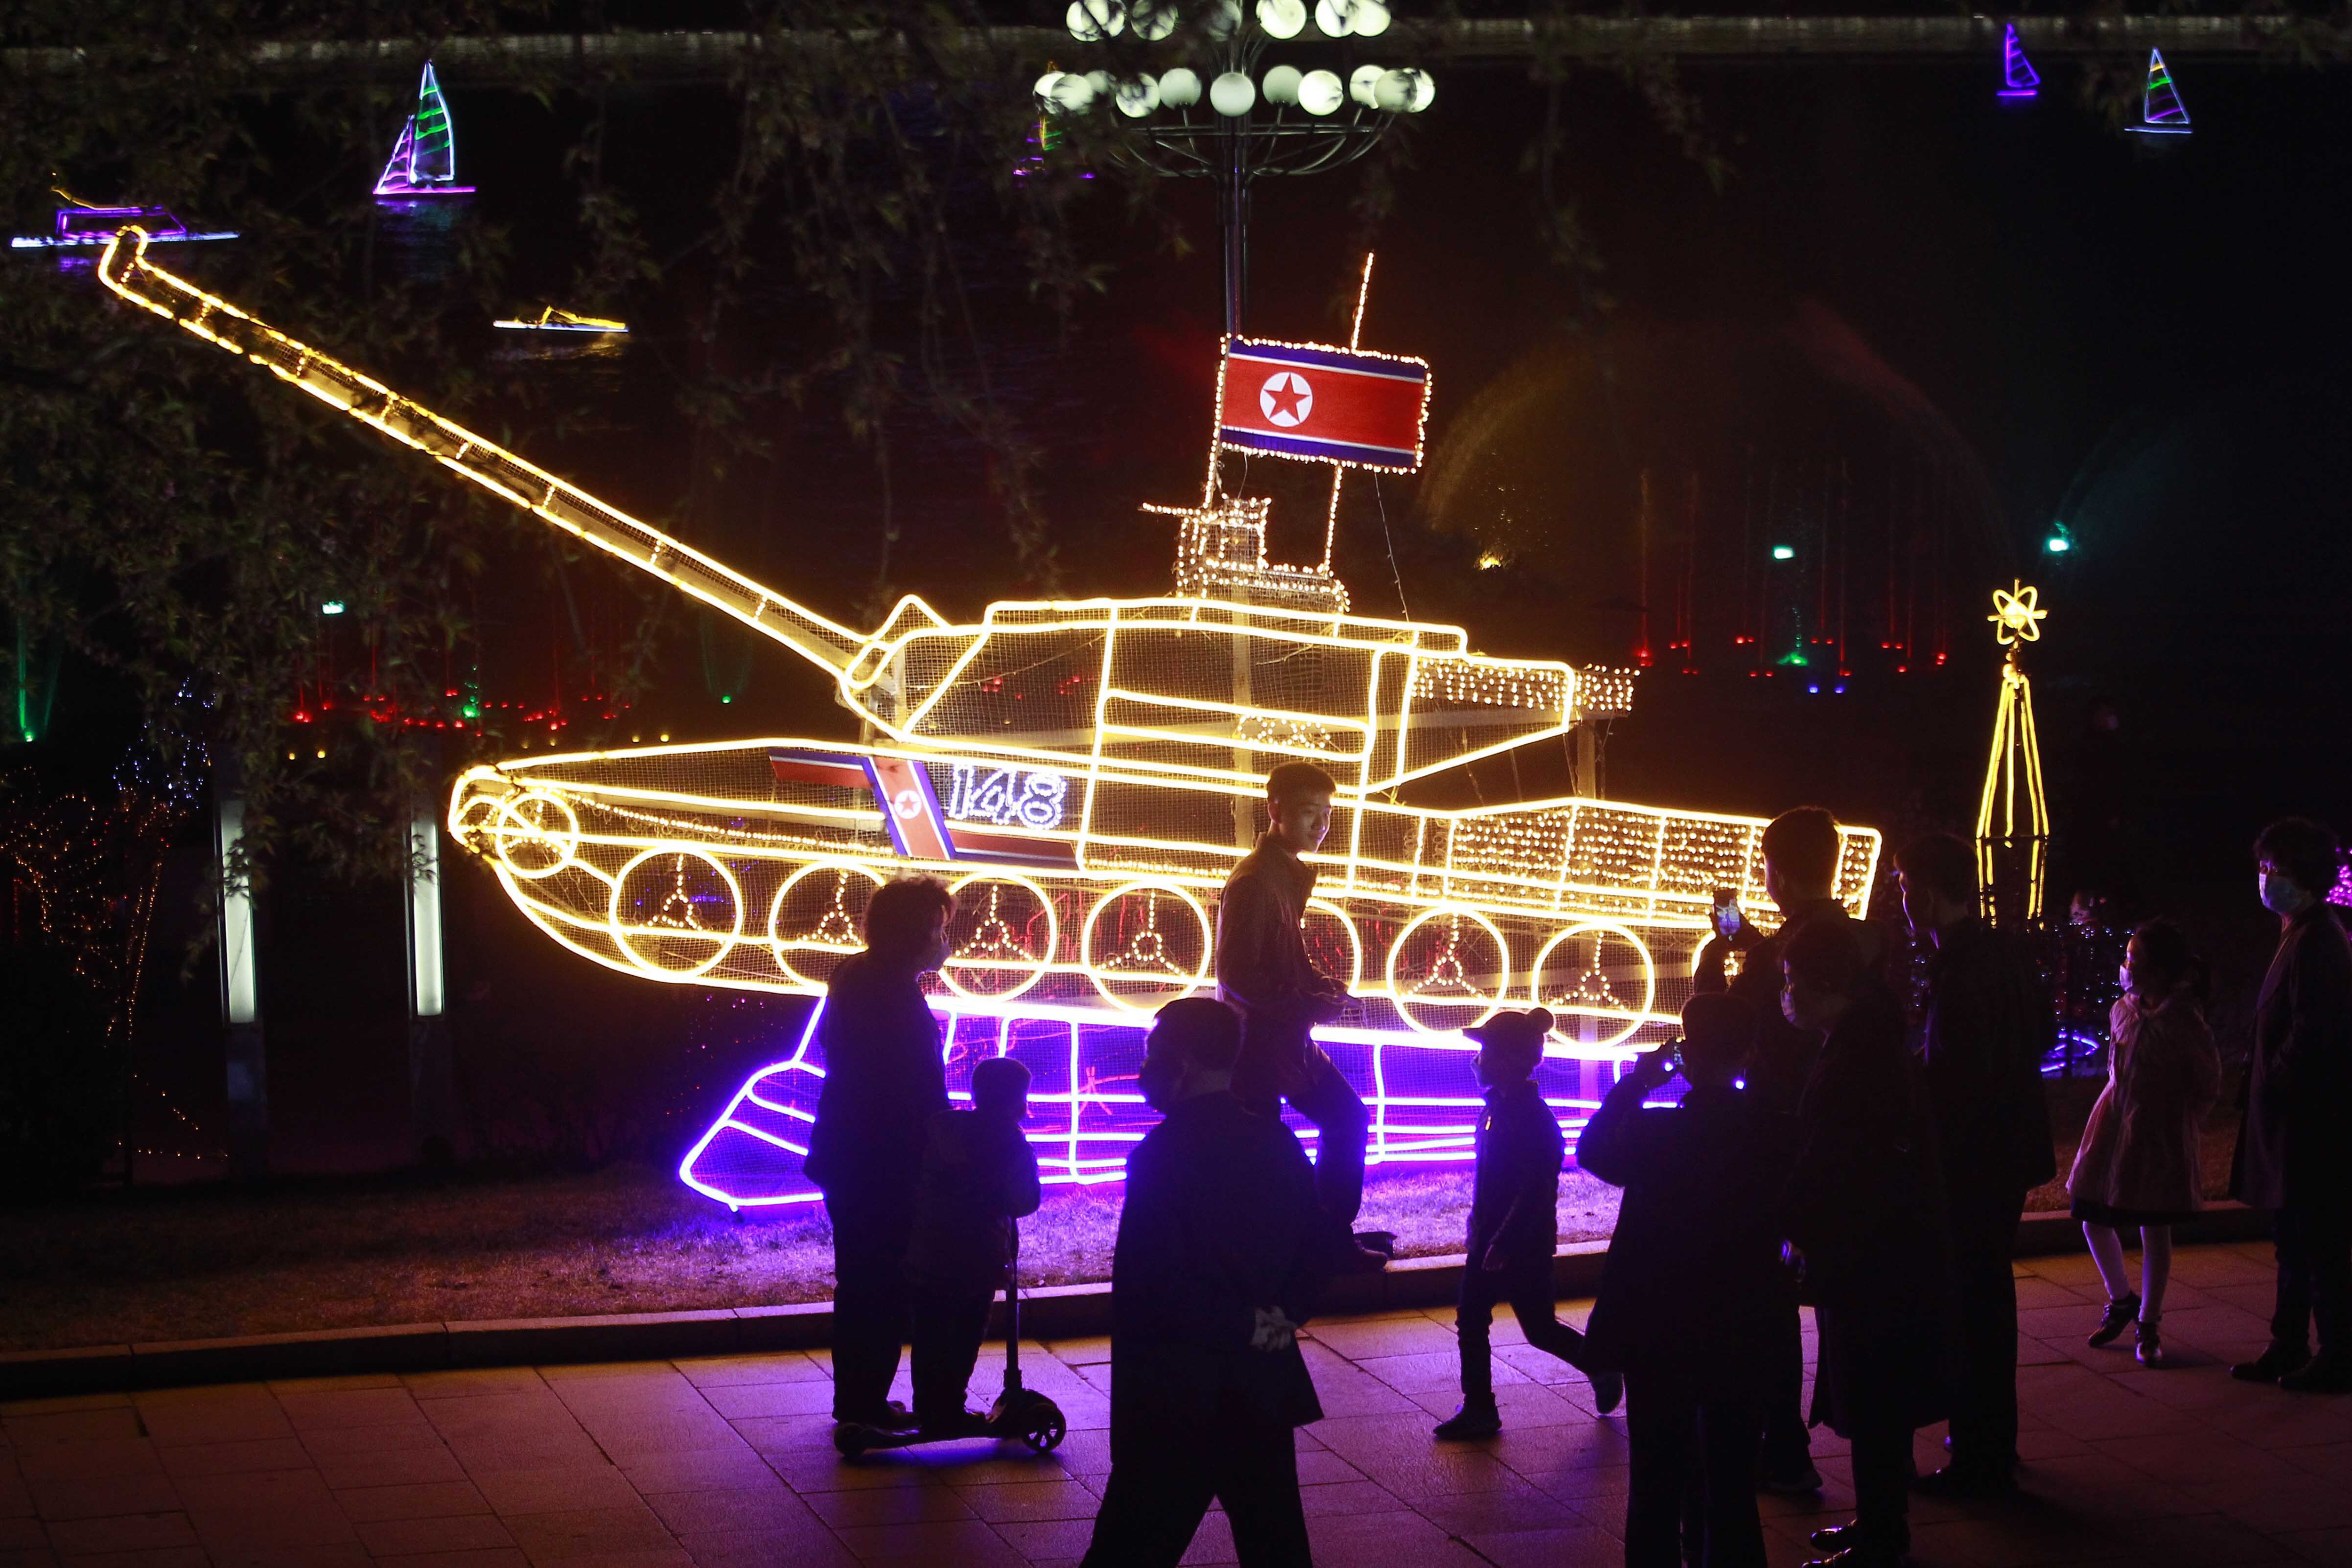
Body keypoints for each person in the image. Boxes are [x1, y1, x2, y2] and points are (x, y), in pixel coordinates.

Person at [1081, 997, 1326, 1568]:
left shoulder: (1162, 1155)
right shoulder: (1275, 1141)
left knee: (1129, 1546)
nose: (1143, 1073)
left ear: (1181, 1064)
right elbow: (1316, 1255)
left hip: (1176, 1391)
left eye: (1150, 1058)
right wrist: (1268, 1332)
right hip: (1259, 1385)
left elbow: (1152, 1285)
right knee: (1275, 1544)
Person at [1691, 805, 1874, 1493]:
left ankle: (1785, 1445)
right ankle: (1859, 1452)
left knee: (1769, 1301)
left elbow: (1724, 1027)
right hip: (1839, 1138)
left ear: (1780, 871)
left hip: (1778, 1138)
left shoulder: (1778, 956)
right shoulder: (1852, 938)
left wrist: (1716, 964)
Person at [1578, 995, 1786, 1568]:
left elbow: (1592, 1150)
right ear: (1745, 1053)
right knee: (1731, 1480)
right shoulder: (1772, 1133)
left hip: (1660, 1323)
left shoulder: (1659, 1134)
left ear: (1685, 1056)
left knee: (1655, 1474)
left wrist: (1634, 1084)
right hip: (1742, 1319)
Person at [1779, 919, 1951, 1568]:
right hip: (1878, 1244)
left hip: (1871, 1250)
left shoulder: (1858, 1056)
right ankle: (1879, 1519)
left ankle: (1883, 1535)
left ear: (1827, 985)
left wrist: (1793, 1217)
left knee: (1874, 1389)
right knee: (1873, 1390)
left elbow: (1838, 1155)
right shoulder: (1865, 1036)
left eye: (1794, 982)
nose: (1787, 995)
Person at [1894, 832, 2054, 1496]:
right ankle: (1992, 1443)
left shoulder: (1958, 969)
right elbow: (2040, 1034)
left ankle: (1979, 1453)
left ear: (1928, 892)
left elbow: (1952, 1081)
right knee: (1990, 1296)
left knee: (1971, 1305)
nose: (1902, 901)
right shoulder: (2004, 950)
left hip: (1971, 1162)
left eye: (1904, 888)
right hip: (2012, 1151)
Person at [1216, 759, 1385, 1273]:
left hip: (1276, 1037)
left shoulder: (1278, 874)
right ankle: (1322, 1241)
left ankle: (1303, 1242)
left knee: (1273, 1149)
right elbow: (1237, 974)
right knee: (1338, 1121)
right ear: (1275, 811)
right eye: (1310, 812)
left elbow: (1273, 958)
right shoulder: (1258, 881)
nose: (1321, 825)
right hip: (1267, 1042)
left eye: (1327, 814)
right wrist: (1307, 1003)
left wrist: (1320, 989)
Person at [802, 876, 955, 1431]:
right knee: (881, 1282)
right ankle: (864, 1406)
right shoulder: (890, 993)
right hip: (882, 1159)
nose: (946, 940)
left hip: (847, 1149)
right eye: (939, 929)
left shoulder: (857, 974)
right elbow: (912, 1086)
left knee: (863, 1279)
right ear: (914, 933)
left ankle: (859, 1399)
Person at [1433, 1007, 1622, 1440]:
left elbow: (1537, 1188)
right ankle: (1480, 1406)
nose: (1477, 1060)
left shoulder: (1531, 1118)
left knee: (1537, 1327)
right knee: (1475, 1317)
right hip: (1493, 1238)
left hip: (1519, 1243)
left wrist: (1505, 1239)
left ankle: (1599, 1364)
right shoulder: (1496, 1109)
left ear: (1509, 1060)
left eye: (1485, 1051)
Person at [2229, 817, 2352, 1393]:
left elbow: (2314, 1031)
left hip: (2309, 1124)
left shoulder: (2319, 940)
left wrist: (2274, 1081)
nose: (2263, 878)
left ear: (2301, 877)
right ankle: (2288, 1343)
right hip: (2291, 1122)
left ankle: (2336, 1352)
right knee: (2292, 1240)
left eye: (2271, 869)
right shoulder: (2297, 932)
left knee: (2319, 1241)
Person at [2068, 919, 2222, 1368]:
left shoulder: (2185, 1022)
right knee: (2091, 1215)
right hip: (2114, 1123)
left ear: (2159, 972)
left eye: (2135, 959)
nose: (2126, 966)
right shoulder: (2123, 1010)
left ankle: (2149, 1321)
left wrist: (2180, 1121)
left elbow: (2207, 1082)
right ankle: (2122, 1299)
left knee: (2155, 1227)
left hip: (2158, 1131)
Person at [902, 1055, 1043, 1436]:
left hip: (929, 1249)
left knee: (930, 1330)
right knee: (964, 1331)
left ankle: (929, 1404)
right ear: (1018, 1099)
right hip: (977, 1255)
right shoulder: (1009, 1141)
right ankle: (949, 1407)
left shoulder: (944, 1131)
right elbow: (1024, 1200)